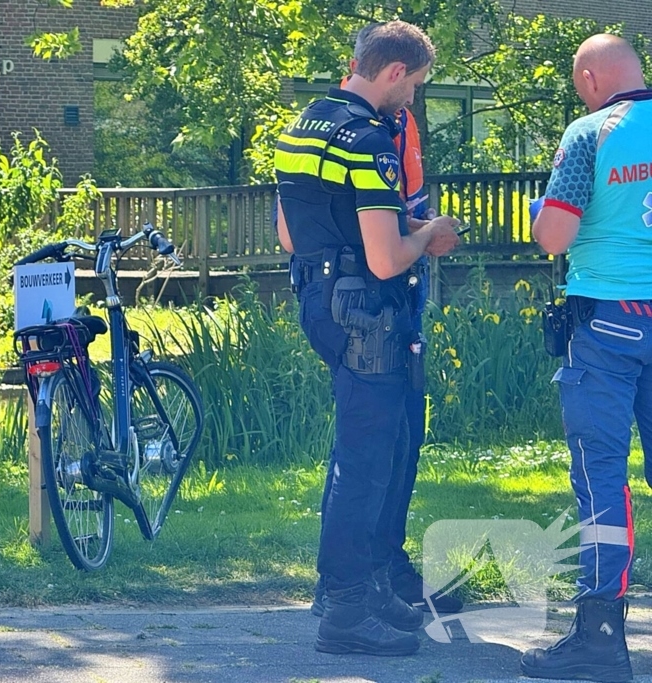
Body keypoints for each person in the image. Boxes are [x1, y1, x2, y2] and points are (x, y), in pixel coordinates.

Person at [274, 20, 460, 656]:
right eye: (416, 87)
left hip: (321, 302)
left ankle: (364, 589)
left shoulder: (303, 127)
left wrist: (382, 231)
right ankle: (347, 609)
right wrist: (428, 232)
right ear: (394, 73)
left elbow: (291, 236)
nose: (412, 102)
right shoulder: (369, 138)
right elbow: (386, 260)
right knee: (368, 461)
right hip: (368, 313)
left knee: (369, 449)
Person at [520, 33, 652, 682]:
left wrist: (538, 208)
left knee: (601, 480)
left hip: (607, 325)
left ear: (593, 78)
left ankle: (600, 637)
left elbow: (555, 233)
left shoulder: (589, 132)